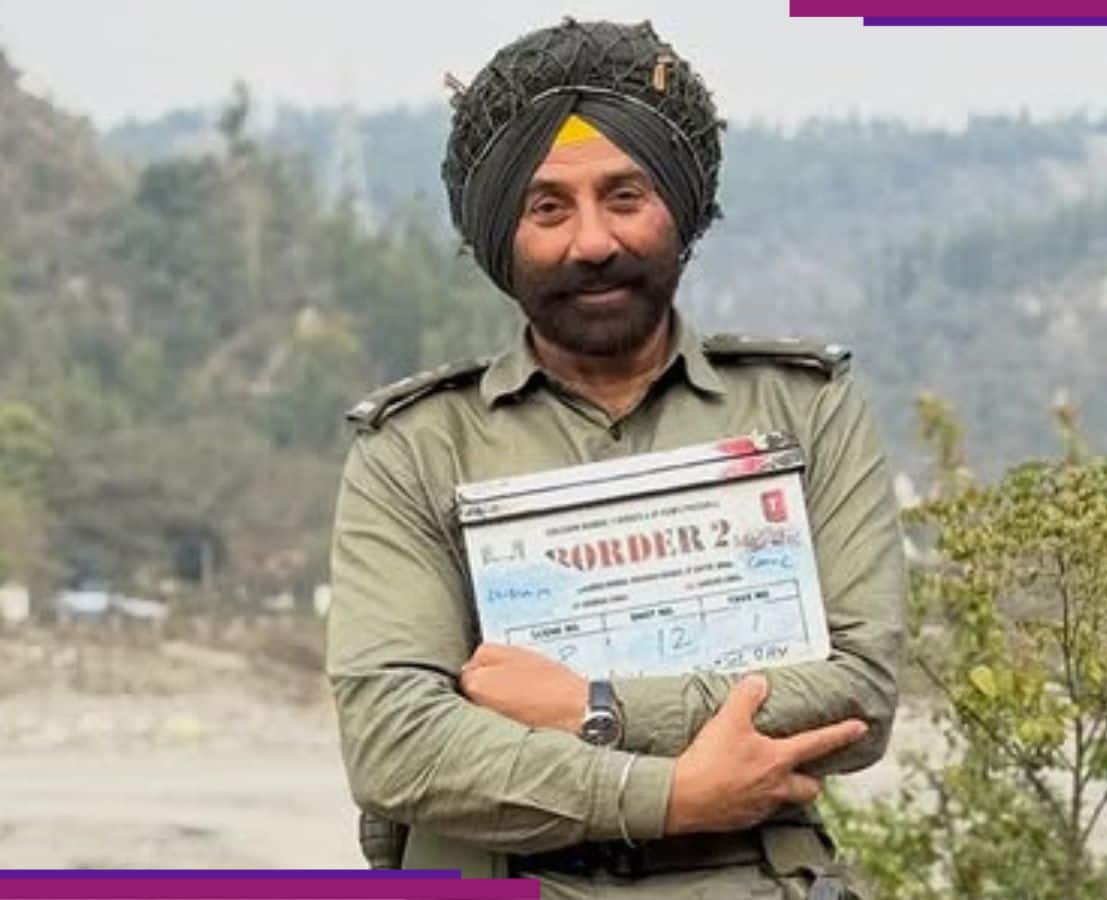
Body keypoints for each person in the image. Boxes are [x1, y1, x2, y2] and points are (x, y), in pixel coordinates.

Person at [327, 18, 905, 900]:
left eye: (625, 196)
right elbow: (395, 743)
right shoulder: (415, 448)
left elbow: (857, 694)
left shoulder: (804, 409)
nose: (592, 241)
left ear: (680, 210)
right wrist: (669, 796)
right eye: (548, 208)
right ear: (502, 236)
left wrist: (593, 710)